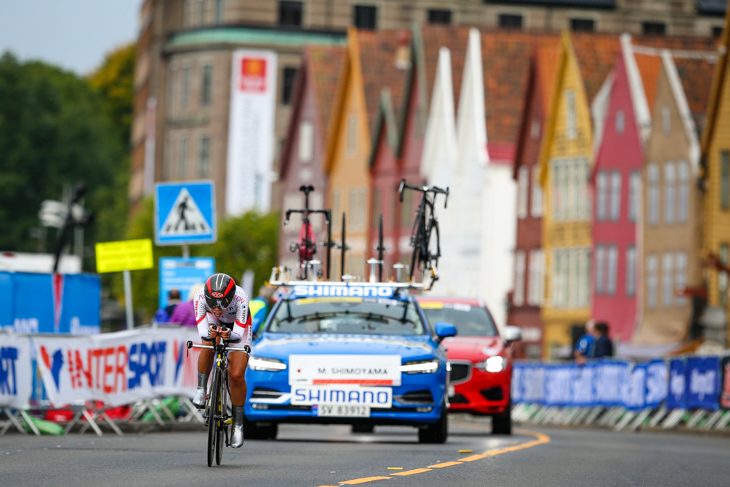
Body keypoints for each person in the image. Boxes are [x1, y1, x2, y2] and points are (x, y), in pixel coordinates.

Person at [192, 273, 252, 448]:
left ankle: (238, 424)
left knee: (236, 374)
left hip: (238, 325)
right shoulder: (200, 297)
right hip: (212, 322)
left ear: (231, 297)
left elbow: (238, 336)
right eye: (213, 304)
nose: (217, 308)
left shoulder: (241, 298)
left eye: (223, 303)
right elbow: (203, 332)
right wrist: (213, 334)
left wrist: (229, 335)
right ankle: (201, 389)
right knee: (209, 343)